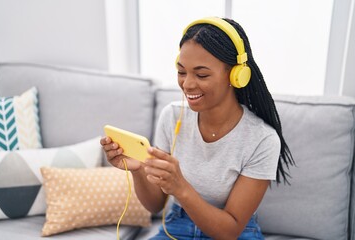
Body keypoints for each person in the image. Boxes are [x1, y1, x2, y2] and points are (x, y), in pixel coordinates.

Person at [100, 17, 294, 240]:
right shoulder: (172, 117)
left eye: (201, 74)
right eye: (182, 72)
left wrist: (180, 187)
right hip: (177, 224)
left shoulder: (262, 140)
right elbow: (154, 205)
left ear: (236, 76)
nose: (187, 84)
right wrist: (138, 170)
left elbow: (229, 231)